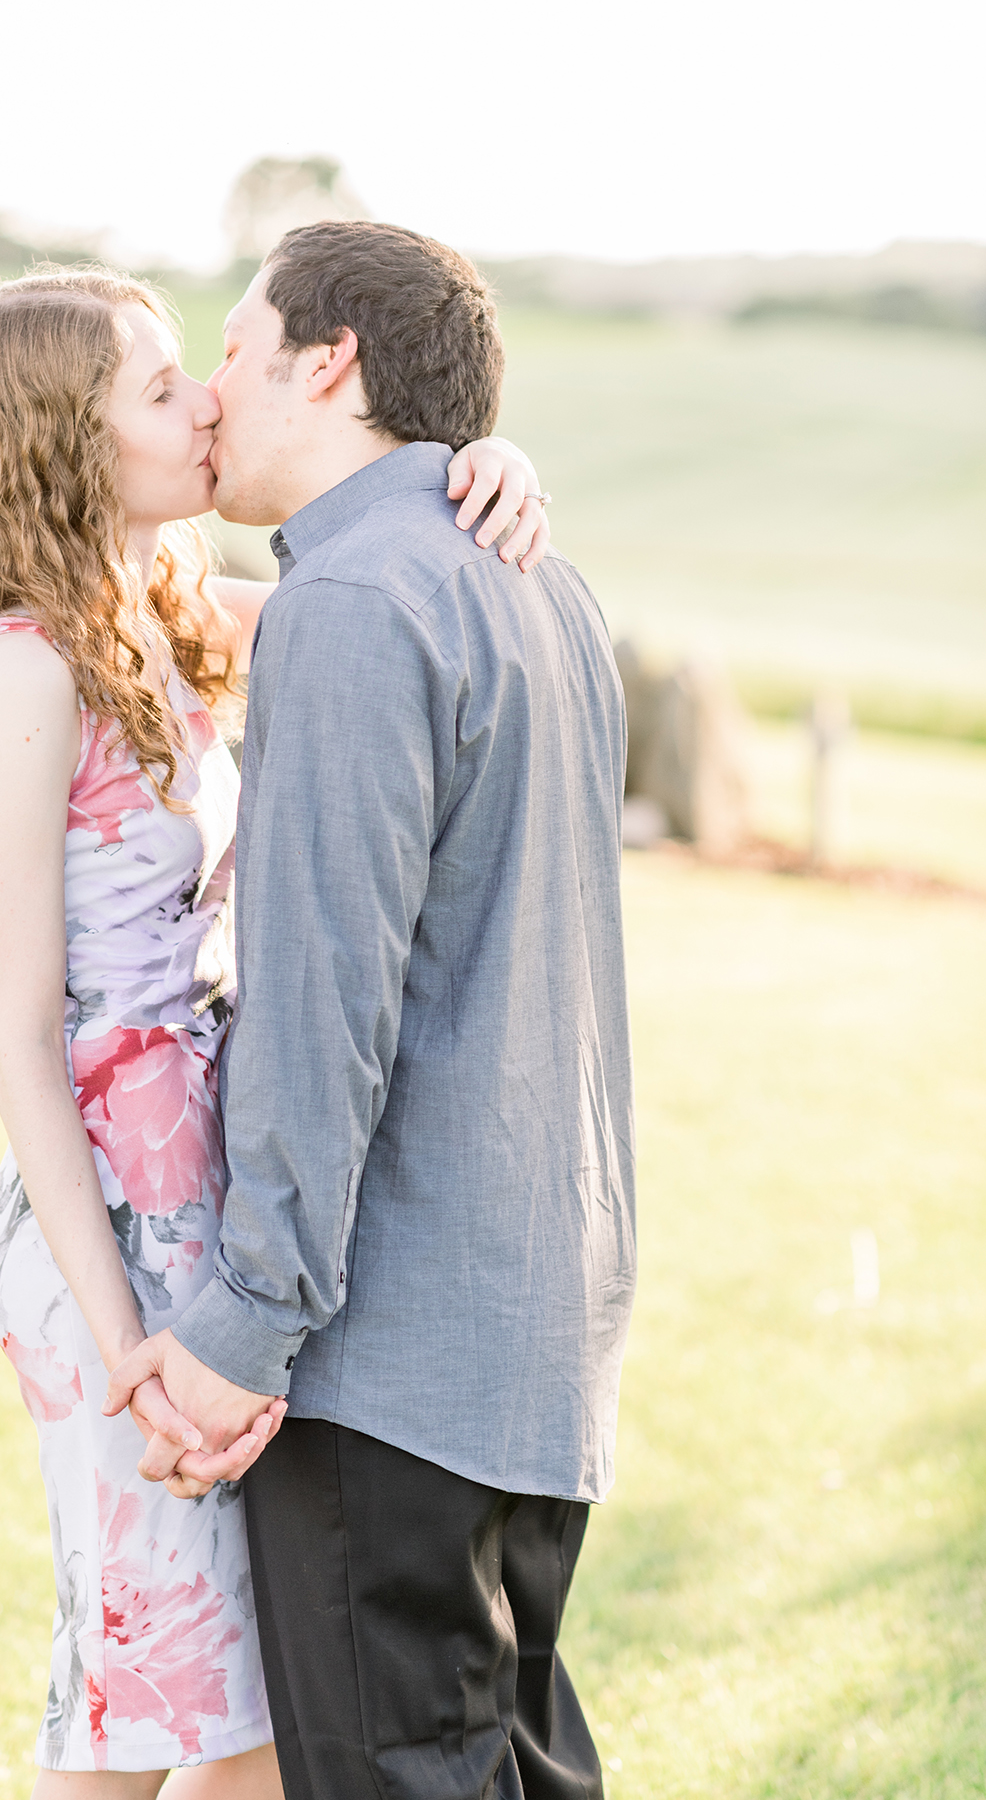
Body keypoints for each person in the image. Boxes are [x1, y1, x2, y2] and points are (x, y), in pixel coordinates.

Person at [0, 261, 552, 1798]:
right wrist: (121, 1343)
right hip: (107, 1222)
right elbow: (20, 1039)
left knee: (229, 1702)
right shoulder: (25, 672)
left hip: (209, 1206)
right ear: (63, 438)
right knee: (159, 1708)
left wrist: (481, 468)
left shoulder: (163, 612)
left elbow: (380, 586)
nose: (207, 402)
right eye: (162, 385)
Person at [107, 222, 636, 1800]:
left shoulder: (353, 610)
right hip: (539, 1324)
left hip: (389, 1346)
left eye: (231, 345)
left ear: (325, 359)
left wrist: (243, 1329)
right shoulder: (544, 584)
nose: (210, 389)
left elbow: (325, 1006)